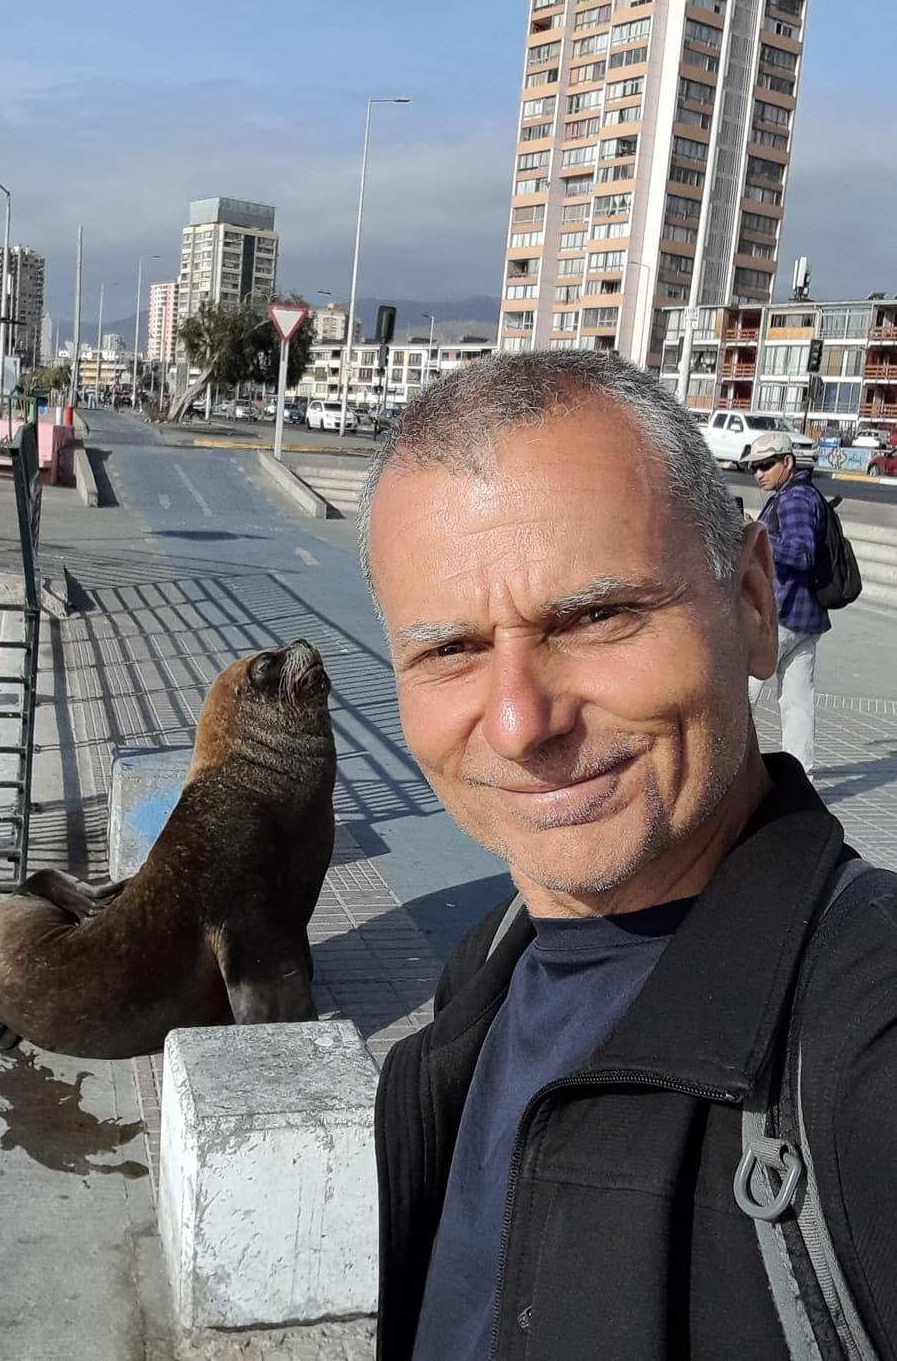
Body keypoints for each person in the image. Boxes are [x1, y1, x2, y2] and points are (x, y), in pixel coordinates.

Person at [358, 350, 897, 1361]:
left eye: (597, 616)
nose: (520, 724)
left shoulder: (865, 1044)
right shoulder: (490, 962)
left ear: (749, 601)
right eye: (450, 651)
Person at [746, 429, 829, 779]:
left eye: (766, 465)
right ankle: (803, 777)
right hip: (806, 617)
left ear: (788, 462)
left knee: (741, 691)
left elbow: (802, 552)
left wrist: (757, 535)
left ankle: (730, 774)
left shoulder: (794, 499)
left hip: (782, 613)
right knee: (797, 702)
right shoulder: (802, 493)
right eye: (754, 467)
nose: (758, 473)